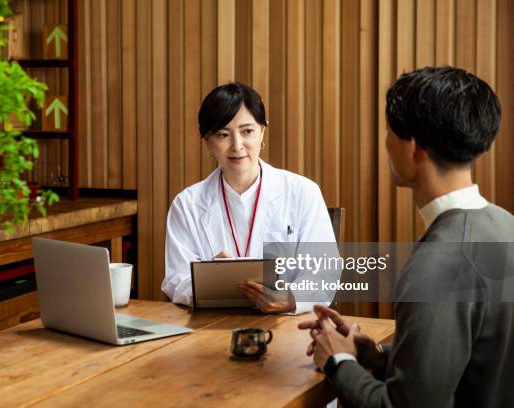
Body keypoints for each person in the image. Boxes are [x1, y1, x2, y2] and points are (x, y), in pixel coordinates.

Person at [298, 66, 514, 407]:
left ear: (413, 148)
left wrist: (337, 361)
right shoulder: (505, 226)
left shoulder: (437, 265)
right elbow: (472, 362)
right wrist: (377, 355)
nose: (385, 143)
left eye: (388, 131)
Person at [162, 82, 337, 314]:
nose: (237, 146)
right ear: (207, 142)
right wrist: (208, 281)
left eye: (247, 131)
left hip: (289, 325)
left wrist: (291, 298)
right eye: (223, 134)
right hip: (211, 326)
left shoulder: (303, 192)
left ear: (262, 132)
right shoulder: (187, 204)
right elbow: (175, 278)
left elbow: (324, 272)